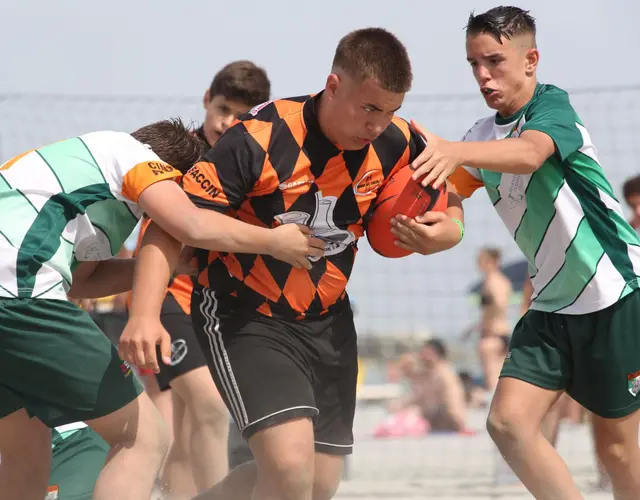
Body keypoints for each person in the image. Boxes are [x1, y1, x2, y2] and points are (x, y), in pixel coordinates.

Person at [120, 27, 465, 500]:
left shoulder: (399, 140)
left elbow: (452, 185)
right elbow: (170, 222)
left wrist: (449, 232)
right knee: (287, 467)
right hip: (245, 313)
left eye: (391, 111)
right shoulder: (258, 138)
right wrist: (142, 314)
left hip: (328, 321)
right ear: (334, 85)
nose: (378, 124)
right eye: (369, 109)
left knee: (315, 485)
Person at [0, 119, 320, 500]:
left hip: (13, 297)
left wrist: (174, 266)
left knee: (26, 453)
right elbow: (190, 222)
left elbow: (84, 281)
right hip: (19, 293)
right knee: (144, 437)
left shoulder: (89, 183)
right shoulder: (131, 154)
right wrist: (272, 241)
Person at [398, 6, 640, 499]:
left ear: (531, 60)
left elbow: (529, 154)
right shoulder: (477, 138)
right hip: (552, 306)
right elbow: (454, 213)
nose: (483, 76)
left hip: (616, 292)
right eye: (473, 64)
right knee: (507, 424)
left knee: (616, 450)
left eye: (494, 61)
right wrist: (431, 237)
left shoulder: (552, 108)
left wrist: (454, 152)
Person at [132, 61, 271, 499]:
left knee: (189, 420)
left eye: (241, 114)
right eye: (222, 107)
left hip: (216, 303)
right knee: (210, 408)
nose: (228, 121)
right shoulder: (178, 153)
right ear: (206, 101)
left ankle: (177, 493)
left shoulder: (253, 161)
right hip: (169, 295)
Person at [463, 247, 512, 392]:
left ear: (495, 261)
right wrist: (476, 326)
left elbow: (500, 304)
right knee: (502, 378)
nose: (479, 263)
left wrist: (492, 305)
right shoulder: (499, 280)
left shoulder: (493, 281)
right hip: (502, 335)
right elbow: (491, 309)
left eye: (483, 259)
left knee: (492, 378)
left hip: (493, 336)